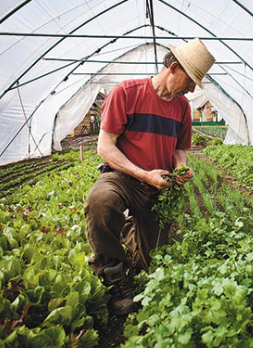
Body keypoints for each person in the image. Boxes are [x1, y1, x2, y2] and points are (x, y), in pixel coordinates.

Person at [84, 38, 215, 316]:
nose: (192, 90)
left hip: (159, 185)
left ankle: (133, 231)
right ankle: (113, 276)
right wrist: (144, 174)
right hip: (123, 177)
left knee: (149, 262)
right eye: (191, 81)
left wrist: (181, 167)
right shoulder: (126, 93)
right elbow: (104, 147)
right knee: (101, 201)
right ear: (174, 67)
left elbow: (180, 149)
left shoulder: (182, 109)